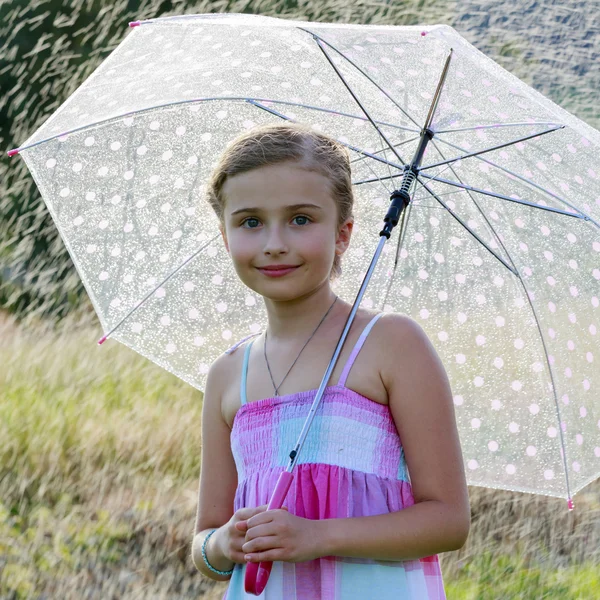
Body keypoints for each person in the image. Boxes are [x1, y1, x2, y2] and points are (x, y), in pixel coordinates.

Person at [191, 123, 470, 599]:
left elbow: (448, 521)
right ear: (225, 236)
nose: (274, 242)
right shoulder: (227, 375)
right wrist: (224, 543)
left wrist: (318, 537)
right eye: (250, 222)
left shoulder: (390, 344)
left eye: (301, 219)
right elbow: (204, 544)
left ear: (343, 234)